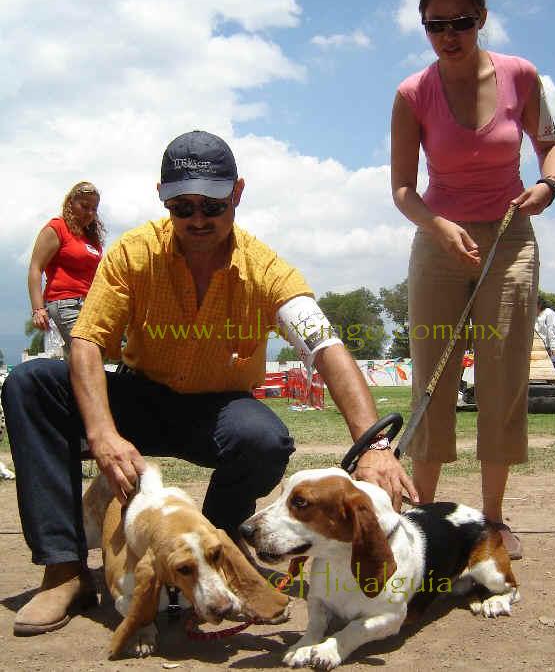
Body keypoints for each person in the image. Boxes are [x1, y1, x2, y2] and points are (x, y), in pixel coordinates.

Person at [2, 130, 418, 637]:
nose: (197, 218)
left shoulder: (266, 269)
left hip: (218, 409)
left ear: (237, 193)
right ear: (162, 198)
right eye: (182, 206)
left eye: (213, 204)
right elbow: (86, 342)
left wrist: (374, 444)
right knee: (30, 383)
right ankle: (64, 571)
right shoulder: (133, 255)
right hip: (140, 394)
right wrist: (104, 433)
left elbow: (325, 346)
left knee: (263, 438)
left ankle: (219, 550)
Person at [390, 0, 555, 560]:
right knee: (431, 378)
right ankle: (420, 519)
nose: (449, 35)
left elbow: (550, 144)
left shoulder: (522, 76)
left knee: (503, 375)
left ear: (482, 18)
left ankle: (491, 519)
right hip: (440, 242)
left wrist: (548, 185)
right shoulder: (413, 93)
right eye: (435, 25)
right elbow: (402, 189)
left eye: (461, 22)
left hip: (511, 239)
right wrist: (437, 226)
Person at [28, 181, 105, 358]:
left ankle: (67, 384)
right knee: (87, 355)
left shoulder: (91, 238)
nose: (90, 213)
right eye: (85, 206)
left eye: (94, 209)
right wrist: (38, 309)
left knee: (85, 356)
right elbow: (35, 267)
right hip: (64, 302)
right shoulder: (57, 228)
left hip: (88, 304)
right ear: (70, 203)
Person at [535, 297, 555, 380]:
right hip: (543, 349)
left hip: (554, 348)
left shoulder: (549, 314)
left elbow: (552, 332)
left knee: (551, 364)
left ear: (539, 305)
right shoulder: (536, 317)